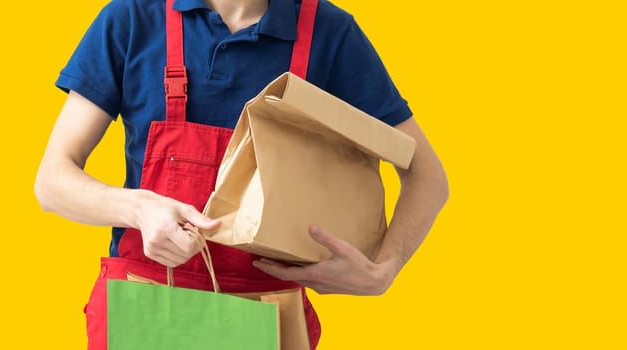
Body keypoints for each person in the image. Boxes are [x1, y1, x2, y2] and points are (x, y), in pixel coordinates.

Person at [35, 0, 449, 348]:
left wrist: (385, 269)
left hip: (267, 320)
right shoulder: (132, 18)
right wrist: (137, 208)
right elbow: (53, 181)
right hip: (141, 309)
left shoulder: (329, 34)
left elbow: (426, 175)